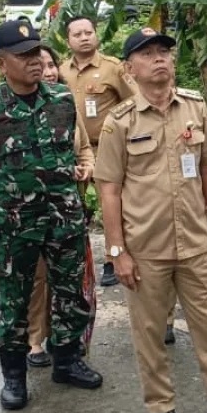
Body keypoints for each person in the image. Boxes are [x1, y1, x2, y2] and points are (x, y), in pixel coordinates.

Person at [96, 28, 207, 413]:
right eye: (148, 54)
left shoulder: (194, 108)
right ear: (129, 67)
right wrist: (117, 250)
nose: (160, 60)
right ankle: (161, 406)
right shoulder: (118, 122)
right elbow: (109, 189)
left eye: (165, 53)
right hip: (145, 246)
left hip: (193, 241)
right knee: (151, 332)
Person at [0, 19, 100, 411]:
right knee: (15, 301)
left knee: (70, 293)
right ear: (2, 64)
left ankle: (68, 361)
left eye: (36, 52)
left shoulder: (61, 99)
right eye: (23, 57)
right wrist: (15, 192)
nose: (34, 61)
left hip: (64, 217)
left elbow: (71, 150)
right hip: (16, 224)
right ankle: (15, 379)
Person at [58, 15, 135, 288]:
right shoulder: (60, 71)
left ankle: (113, 259)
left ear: (96, 35)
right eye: (77, 34)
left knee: (111, 204)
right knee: (74, 206)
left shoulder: (113, 68)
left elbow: (134, 102)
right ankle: (77, 263)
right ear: (68, 40)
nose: (84, 37)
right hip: (76, 150)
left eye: (88, 32)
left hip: (108, 148)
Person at [27, 43, 89, 369]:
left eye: (52, 65)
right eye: (42, 65)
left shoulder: (65, 104)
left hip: (68, 210)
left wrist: (85, 167)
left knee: (68, 281)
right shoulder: (4, 109)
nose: (49, 71)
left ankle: (67, 347)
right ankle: (34, 340)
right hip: (28, 216)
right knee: (37, 280)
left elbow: (84, 148)